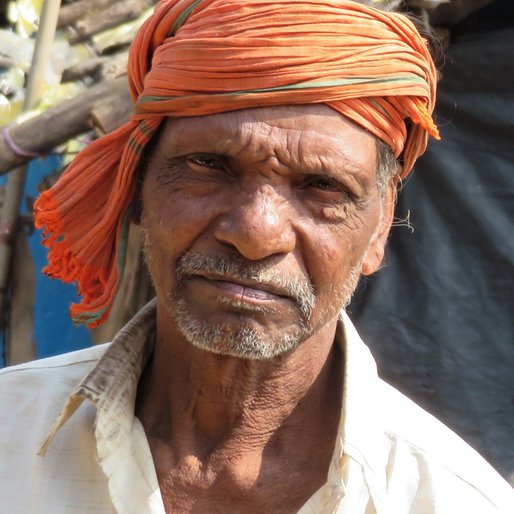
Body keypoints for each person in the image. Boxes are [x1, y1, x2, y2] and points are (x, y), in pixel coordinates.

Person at [0, 0, 512, 512]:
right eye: (209, 164)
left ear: (379, 227)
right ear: (137, 185)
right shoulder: (10, 437)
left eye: (322, 186)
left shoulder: (453, 499)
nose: (257, 233)